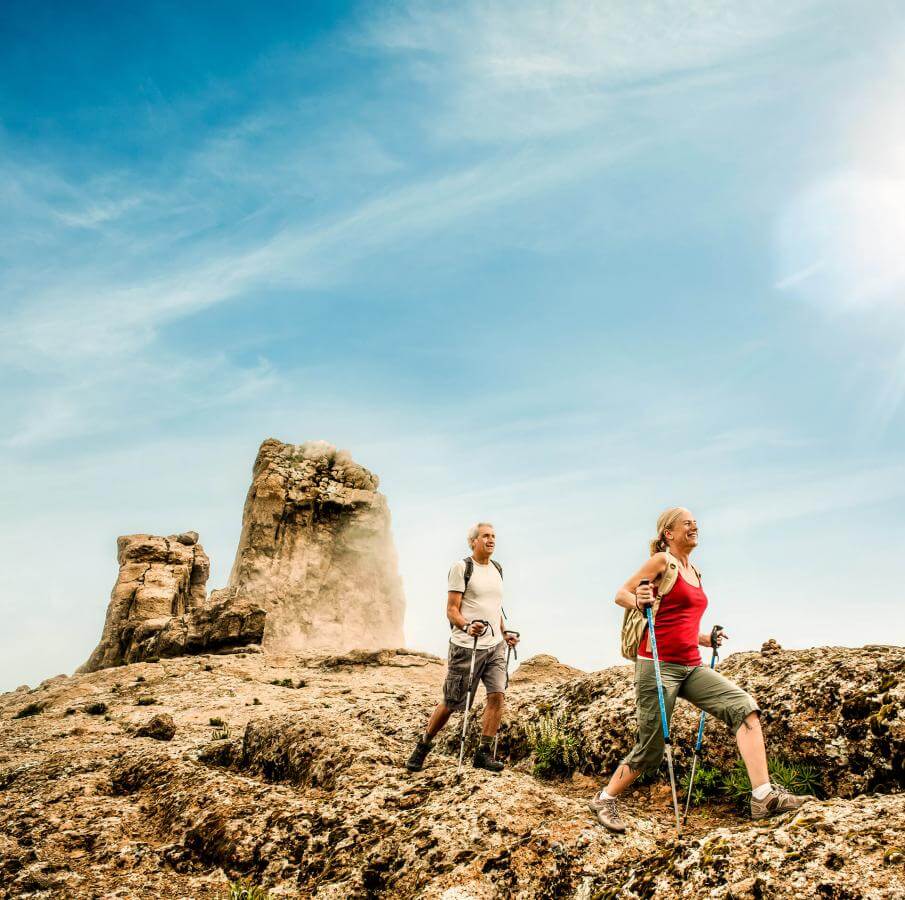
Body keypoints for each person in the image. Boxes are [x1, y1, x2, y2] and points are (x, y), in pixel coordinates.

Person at [589, 507, 815, 833]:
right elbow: (620, 594)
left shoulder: (695, 571)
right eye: (687, 523)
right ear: (669, 533)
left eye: (695, 522)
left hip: (691, 666)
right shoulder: (661, 562)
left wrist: (705, 638)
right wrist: (639, 601)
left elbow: (680, 621)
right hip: (657, 666)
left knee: (744, 708)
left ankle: (763, 796)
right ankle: (605, 797)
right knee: (651, 749)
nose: (694, 526)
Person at [406, 522, 520, 773]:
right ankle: (423, 745)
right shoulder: (462, 568)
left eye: (493, 536)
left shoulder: (497, 568)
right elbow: (451, 610)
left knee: (497, 695)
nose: (491, 540)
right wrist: (467, 626)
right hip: (466, 647)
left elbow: (493, 607)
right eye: (485, 536)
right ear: (473, 542)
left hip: (494, 646)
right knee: (451, 702)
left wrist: (504, 632)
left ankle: (483, 753)